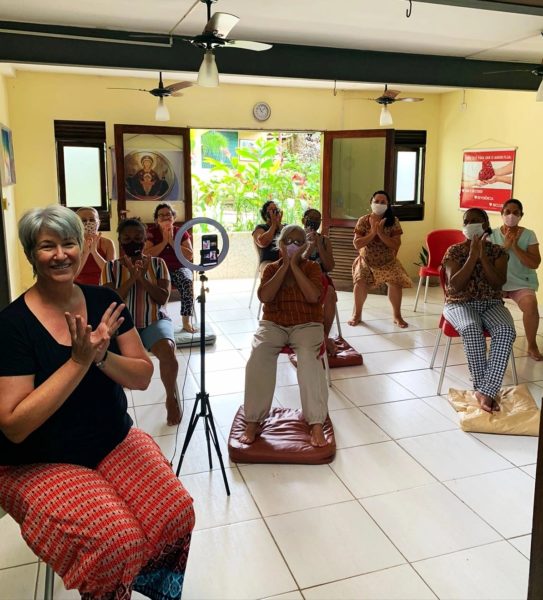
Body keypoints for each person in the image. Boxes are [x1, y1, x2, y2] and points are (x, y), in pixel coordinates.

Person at [0, 205, 195, 600]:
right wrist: (78, 361)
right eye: (47, 246)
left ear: (82, 245)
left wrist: (103, 355)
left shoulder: (103, 300)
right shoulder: (11, 325)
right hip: (41, 460)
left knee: (176, 512)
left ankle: (150, 588)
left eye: (68, 243)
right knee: (116, 542)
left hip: (111, 439)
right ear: (30, 254)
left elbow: (142, 376)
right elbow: (15, 424)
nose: (60, 254)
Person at [240, 225, 329, 448]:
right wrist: (285, 267)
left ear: (305, 247)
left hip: (307, 324)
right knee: (259, 354)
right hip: (274, 323)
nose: (293, 246)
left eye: (299, 242)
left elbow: (312, 296)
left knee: (308, 358)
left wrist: (295, 267)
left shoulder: (312, 268)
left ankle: (316, 422)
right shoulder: (270, 269)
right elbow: (265, 297)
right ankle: (253, 420)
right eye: (288, 241)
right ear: (280, 244)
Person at [102, 218, 181, 426]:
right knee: (106, 361)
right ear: (119, 241)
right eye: (127, 238)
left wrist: (143, 277)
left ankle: (171, 397)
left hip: (154, 320)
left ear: (145, 240)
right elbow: (112, 300)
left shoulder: (158, 264)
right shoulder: (110, 268)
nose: (133, 242)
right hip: (123, 326)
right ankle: (112, 404)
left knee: (167, 351)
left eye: (138, 238)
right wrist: (132, 277)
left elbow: (162, 298)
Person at [442, 207, 516, 413]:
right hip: (459, 303)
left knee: (506, 330)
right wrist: (472, 257)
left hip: (491, 303)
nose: (472, 223)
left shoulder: (498, 252)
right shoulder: (454, 251)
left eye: (477, 220)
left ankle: (485, 391)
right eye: (468, 221)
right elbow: (454, 286)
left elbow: (497, 283)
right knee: (472, 329)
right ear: (463, 226)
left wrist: (482, 256)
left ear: (486, 225)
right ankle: (485, 391)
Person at [349, 190, 412, 328]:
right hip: (366, 261)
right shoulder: (363, 220)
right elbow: (357, 244)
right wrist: (372, 232)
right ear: (371, 203)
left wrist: (381, 233)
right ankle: (357, 314)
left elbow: (396, 244)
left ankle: (397, 316)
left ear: (388, 205)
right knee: (360, 282)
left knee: (396, 282)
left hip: (388, 261)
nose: (379, 204)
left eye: (383, 202)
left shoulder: (393, 221)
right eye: (376, 201)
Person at [489, 199, 541, 360]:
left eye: (515, 212)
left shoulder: (529, 234)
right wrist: (504, 247)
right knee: (483, 306)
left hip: (521, 282)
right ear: (501, 214)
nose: (511, 215)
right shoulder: (491, 235)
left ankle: (532, 345)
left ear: (521, 215)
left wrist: (515, 247)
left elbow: (534, 263)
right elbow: (486, 261)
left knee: (531, 305)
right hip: (497, 282)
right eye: (507, 212)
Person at [145, 202, 196, 333]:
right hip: (158, 269)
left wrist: (172, 242)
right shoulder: (151, 233)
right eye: (161, 215)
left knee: (187, 281)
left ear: (173, 217)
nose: (165, 217)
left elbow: (189, 255)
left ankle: (186, 322)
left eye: (168, 214)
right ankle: (156, 320)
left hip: (178, 268)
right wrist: (164, 242)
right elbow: (146, 254)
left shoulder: (181, 232)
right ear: (156, 219)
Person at [302, 208, 339, 356]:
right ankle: (322, 340)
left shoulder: (324, 240)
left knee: (330, 293)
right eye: (311, 218)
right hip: (303, 279)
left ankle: (323, 336)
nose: (314, 222)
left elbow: (329, 266)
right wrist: (310, 246)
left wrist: (319, 246)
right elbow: (297, 263)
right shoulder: (296, 237)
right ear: (303, 219)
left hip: (321, 278)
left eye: (318, 219)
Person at [75, 207, 116, 285]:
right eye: (83, 220)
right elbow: (72, 274)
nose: (88, 222)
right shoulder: (72, 243)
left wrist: (95, 252)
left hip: (102, 288)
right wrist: (85, 253)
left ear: (98, 223)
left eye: (92, 220)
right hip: (78, 289)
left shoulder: (108, 243)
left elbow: (111, 272)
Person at [253, 200, 284, 276]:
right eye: (271, 210)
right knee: (271, 269)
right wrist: (273, 225)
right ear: (265, 214)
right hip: (267, 262)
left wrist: (279, 225)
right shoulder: (261, 228)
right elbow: (262, 243)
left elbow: (289, 241)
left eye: (276, 209)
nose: (274, 211)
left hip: (285, 261)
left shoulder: (285, 227)